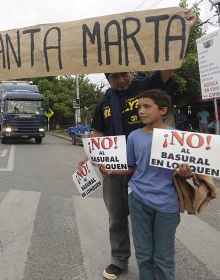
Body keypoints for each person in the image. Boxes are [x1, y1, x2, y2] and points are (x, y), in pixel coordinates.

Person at [77, 10, 196, 279]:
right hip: (115, 167)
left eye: (123, 73)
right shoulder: (103, 102)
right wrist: (90, 155)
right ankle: (119, 260)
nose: (120, 79)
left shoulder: (147, 88)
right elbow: (97, 132)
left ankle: (157, 262)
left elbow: (169, 66)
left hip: (148, 166)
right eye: (113, 76)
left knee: (151, 215)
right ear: (107, 79)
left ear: (130, 70)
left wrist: (184, 30)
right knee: (117, 217)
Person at [99, 89, 192, 280]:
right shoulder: (134, 136)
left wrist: (185, 173)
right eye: (139, 107)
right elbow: (131, 167)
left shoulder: (177, 138)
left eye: (147, 107)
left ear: (163, 110)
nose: (141, 111)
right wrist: (111, 170)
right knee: (143, 253)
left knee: (164, 257)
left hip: (167, 205)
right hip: (139, 201)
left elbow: (186, 172)